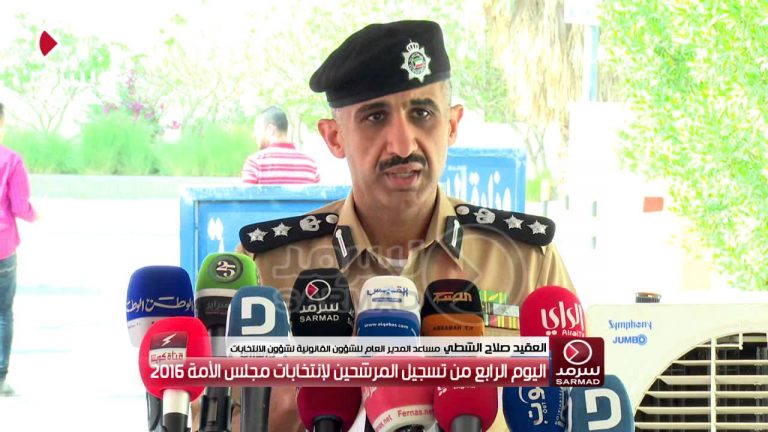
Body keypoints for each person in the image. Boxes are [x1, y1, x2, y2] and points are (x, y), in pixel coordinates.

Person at [206, 20, 573, 432]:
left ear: (452, 125)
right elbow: (210, 415)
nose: (403, 145)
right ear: (334, 137)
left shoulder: (528, 260)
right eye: (375, 117)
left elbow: (581, 404)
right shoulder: (264, 269)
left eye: (422, 113)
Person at [0, 102, 38, 396]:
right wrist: (36, 215)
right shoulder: (10, 160)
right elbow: (20, 206)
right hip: (2, 249)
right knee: (3, 313)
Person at [241, 106, 321, 184]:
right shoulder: (311, 164)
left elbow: (246, 193)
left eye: (257, 130)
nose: (254, 135)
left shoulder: (255, 163)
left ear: (270, 129)